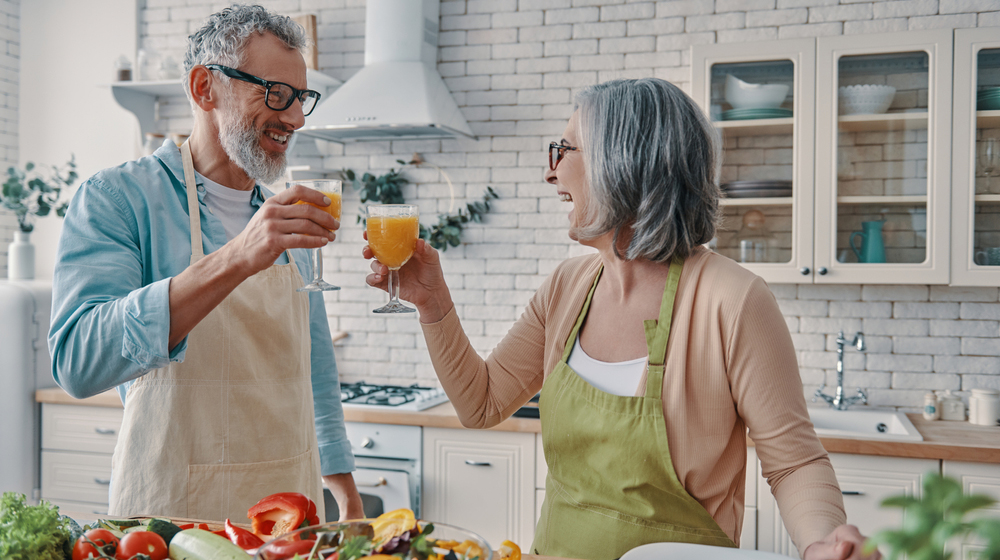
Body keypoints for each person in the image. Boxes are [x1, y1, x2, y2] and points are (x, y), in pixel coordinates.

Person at [364, 78, 878, 560]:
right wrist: (432, 303)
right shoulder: (568, 288)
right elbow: (482, 404)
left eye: (564, 151)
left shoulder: (733, 299)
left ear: (622, 163)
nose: (551, 171)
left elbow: (794, 462)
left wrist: (821, 544)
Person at [48, 5, 364, 523]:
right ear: (204, 88)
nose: (295, 118)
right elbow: (77, 363)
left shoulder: (287, 218)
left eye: (301, 98)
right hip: (171, 519)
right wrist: (238, 256)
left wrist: (345, 491)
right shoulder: (117, 198)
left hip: (291, 511)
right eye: (275, 93)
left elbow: (314, 369)